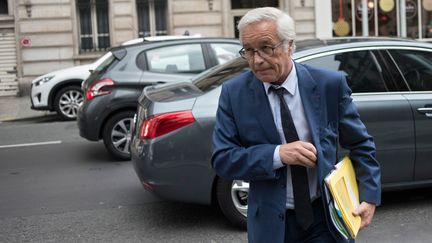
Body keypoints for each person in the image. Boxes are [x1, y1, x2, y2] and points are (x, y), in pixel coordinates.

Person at [211, 7, 381, 243]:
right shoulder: (234, 94)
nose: (257, 60)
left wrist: (370, 197)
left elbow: (361, 144)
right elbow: (223, 159)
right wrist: (278, 154)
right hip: (271, 225)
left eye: (266, 48)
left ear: (290, 45)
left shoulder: (329, 85)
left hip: (326, 218)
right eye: (248, 51)